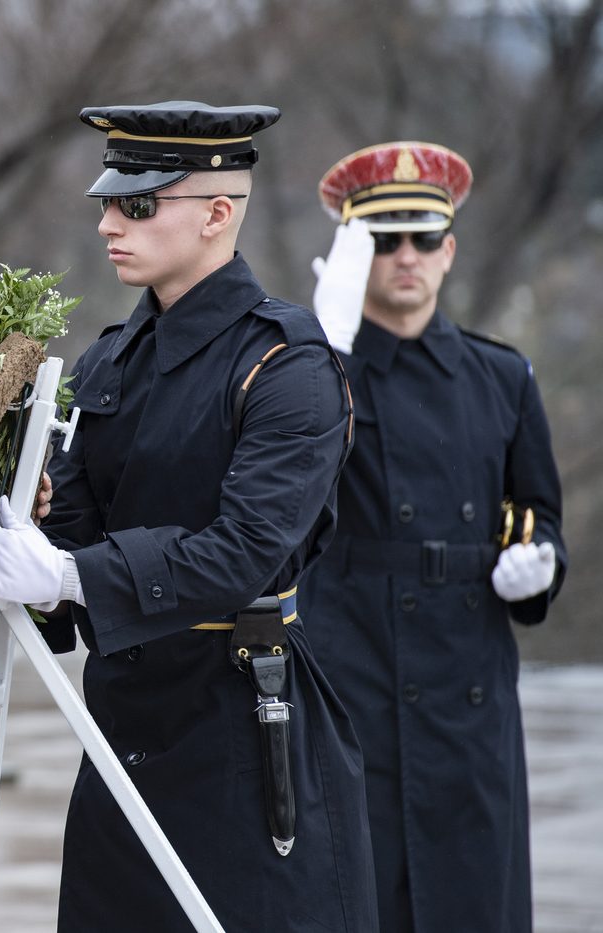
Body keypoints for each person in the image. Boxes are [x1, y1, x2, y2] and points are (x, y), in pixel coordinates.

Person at [0, 102, 377, 931]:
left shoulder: (286, 362)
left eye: (139, 204)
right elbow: (71, 535)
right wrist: (26, 538)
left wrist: (68, 573)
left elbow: (246, 552)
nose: (111, 223)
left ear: (218, 214)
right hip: (123, 717)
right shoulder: (111, 356)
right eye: (108, 203)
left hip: (240, 718)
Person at [300, 141, 566, 933]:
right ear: (355, 251)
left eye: (422, 237)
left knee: (474, 901)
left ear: (449, 250)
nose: (405, 256)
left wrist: (539, 566)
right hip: (355, 674)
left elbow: (539, 509)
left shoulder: (502, 377)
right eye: (383, 240)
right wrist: (322, 350)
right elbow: (281, 491)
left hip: (467, 693)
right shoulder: (314, 369)